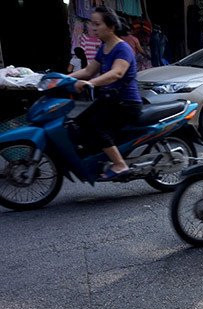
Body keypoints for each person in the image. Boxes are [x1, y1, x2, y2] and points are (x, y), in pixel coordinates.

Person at [70, 6, 141, 180]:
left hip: (126, 103)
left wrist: (90, 83)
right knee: (78, 122)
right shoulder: (104, 48)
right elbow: (88, 71)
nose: (93, 28)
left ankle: (120, 164)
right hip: (110, 100)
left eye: (97, 24)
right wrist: (62, 79)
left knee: (96, 126)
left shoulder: (122, 48)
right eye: (92, 24)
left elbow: (117, 73)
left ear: (111, 27)